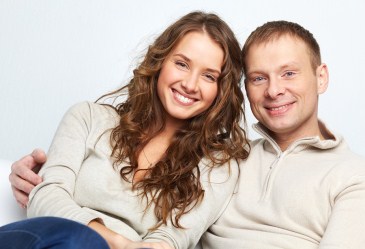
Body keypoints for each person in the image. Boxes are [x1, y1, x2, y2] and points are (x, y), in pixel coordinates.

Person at [3, 11, 250, 249]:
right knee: (81, 242)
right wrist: (119, 243)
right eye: (182, 64)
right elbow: (47, 196)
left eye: (209, 76)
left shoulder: (217, 165)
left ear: (222, 90)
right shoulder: (88, 117)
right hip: (45, 237)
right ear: (160, 62)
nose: (190, 84)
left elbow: (173, 238)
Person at [199, 21, 365, 248]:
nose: (274, 90)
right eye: (259, 78)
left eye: (288, 73)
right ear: (245, 87)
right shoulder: (227, 157)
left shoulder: (353, 175)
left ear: (321, 78)